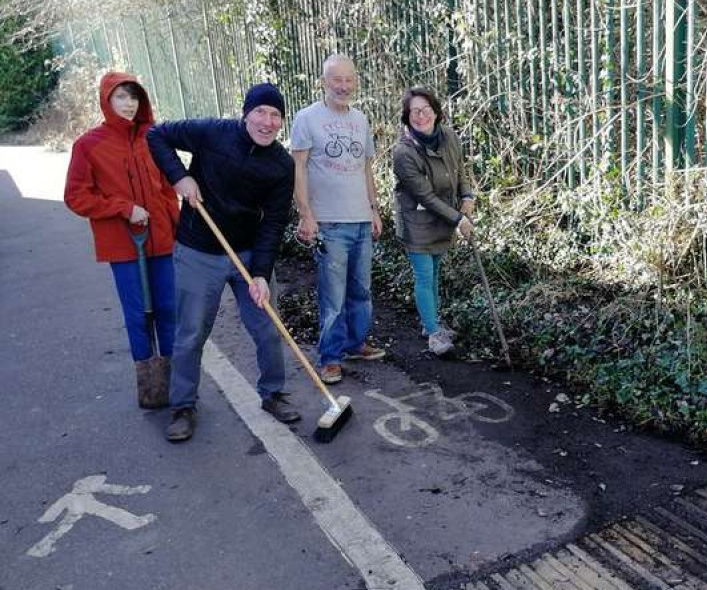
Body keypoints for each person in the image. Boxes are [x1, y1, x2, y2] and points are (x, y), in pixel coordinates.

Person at [146, 83, 300, 442]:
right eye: (260, 112)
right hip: (199, 250)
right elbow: (158, 135)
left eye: (275, 115)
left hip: (246, 253)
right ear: (246, 113)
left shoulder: (281, 165)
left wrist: (261, 274)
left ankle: (273, 393)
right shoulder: (213, 133)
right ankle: (183, 405)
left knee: (267, 327)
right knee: (190, 333)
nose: (267, 121)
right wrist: (180, 177)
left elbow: (274, 223)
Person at [64, 72, 179, 405]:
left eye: (134, 97)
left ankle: (175, 383)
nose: (129, 104)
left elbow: (167, 189)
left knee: (169, 309)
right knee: (138, 314)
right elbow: (76, 196)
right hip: (126, 246)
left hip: (161, 241)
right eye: (120, 97)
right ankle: (150, 386)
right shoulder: (89, 145)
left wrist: (175, 225)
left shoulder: (153, 136)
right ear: (106, 100)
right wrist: (123, 208)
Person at [290, 54, 385, 385]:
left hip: (360, 219)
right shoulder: (307, 118)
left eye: (349, 80)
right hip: (329, 224)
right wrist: (306, 214)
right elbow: (299, 168)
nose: (343, 86)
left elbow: (367, 168)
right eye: (336, 80)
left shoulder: (361, 120)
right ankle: (330, 358)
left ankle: (355, 344)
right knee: (333, 296)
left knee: (362, 290)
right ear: (323, 82)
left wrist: (374, 209)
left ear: (355, 83)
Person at [391, 86, 475, 355]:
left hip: (443, 219)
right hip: (417, 222)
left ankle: (432, 324)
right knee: (424, 276)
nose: (421, 116)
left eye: (426, 110)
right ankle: (434, 334)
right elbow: (425, 196)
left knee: (435, 273)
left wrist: (467, 196)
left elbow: (460, 169)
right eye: (414, 111)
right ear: (407, 117)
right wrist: (459, 219)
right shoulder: (403, 153)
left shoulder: (449, 136)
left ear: (436, 113)